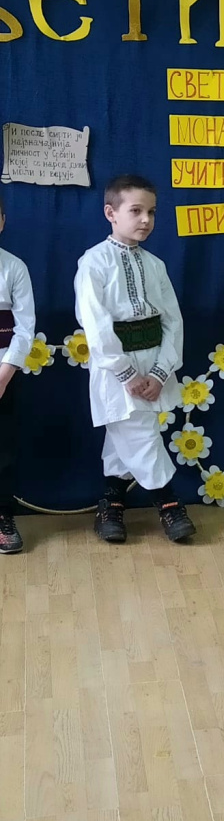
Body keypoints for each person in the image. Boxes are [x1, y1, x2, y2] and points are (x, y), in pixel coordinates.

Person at [75, 175, 195, 544]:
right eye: (136, 211)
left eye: (152, 212)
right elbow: (96, 325)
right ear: (111, 213)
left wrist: (160, 372)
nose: (146, 219)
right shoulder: (94, 262)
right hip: (115, 369)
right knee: (139, 434)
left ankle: (111, 502)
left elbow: (172, 321)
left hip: (153, 361)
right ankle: (168, 502)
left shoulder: (155, 265)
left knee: (123, 437)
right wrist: (126, 374)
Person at [0, 192, 36, 554]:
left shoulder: (14, 267)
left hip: (3, 370)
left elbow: (25, 330)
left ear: (2, 221)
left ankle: (2, 516)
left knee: (2, 449)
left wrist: (4, 374)